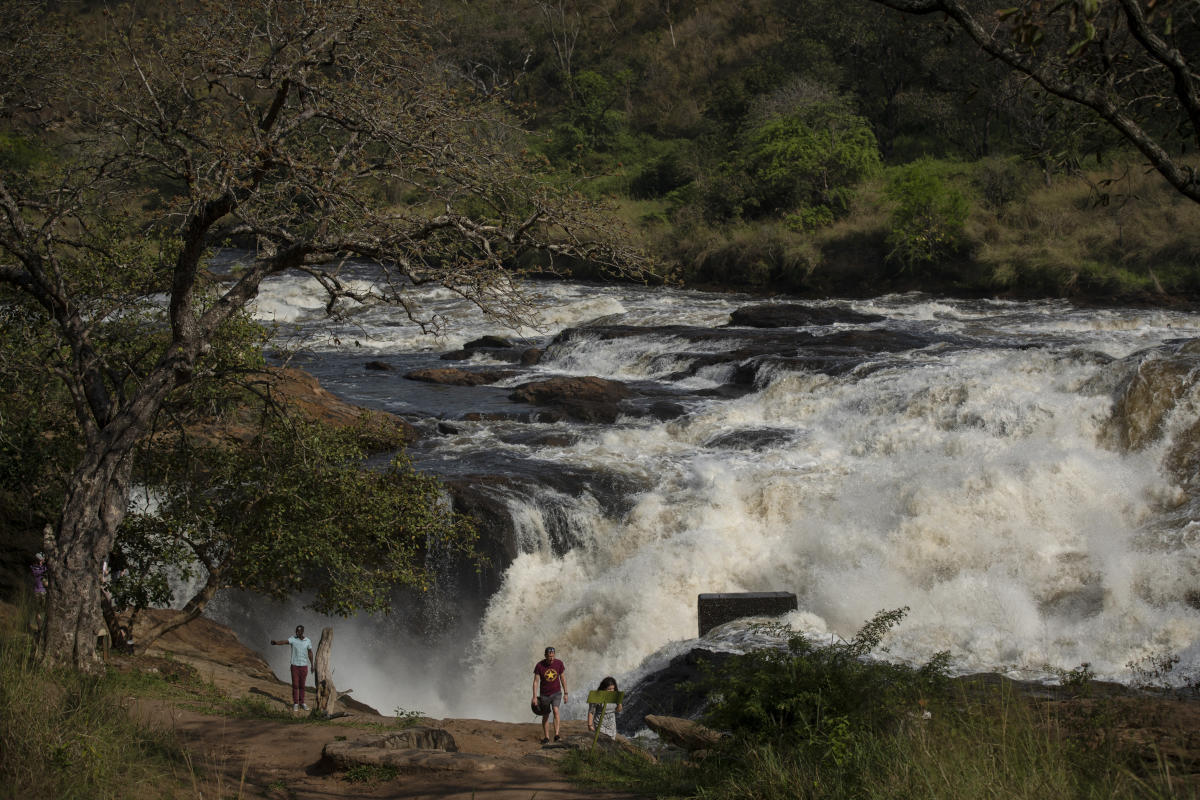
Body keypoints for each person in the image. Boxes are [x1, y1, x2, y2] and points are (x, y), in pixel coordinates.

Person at [270, 625, 314, 711]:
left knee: (302, 685)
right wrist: (276, 643)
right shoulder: (293, 639)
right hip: (295, 666)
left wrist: (312, 665)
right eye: (296, 631)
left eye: (299, 631)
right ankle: (296, 703)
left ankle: (302, 702)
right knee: (295, 685)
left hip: (304, 666)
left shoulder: (307, 641)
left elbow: (310, 653)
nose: (297, 633)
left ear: (303, 632)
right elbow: (284, 642)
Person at [531, 645, 568, 744]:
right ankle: (546, 737)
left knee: (556, 711)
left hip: (556, 693)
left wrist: (566, 693)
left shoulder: (559, 663)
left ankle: (556, 735)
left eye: (553, 656)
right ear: (545, 656)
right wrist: (534, 697)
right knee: (546, 715)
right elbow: (535, 682)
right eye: (549, 656)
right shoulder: (539, 666)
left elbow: (563, 678)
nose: (551, 658)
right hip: (544, 694)